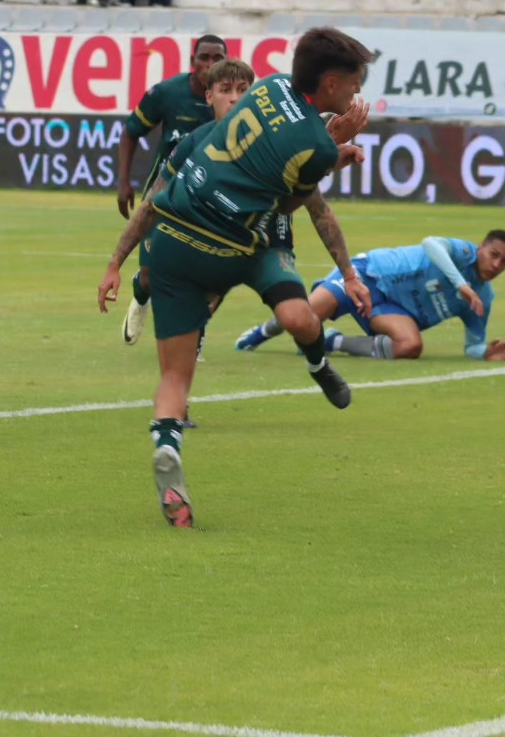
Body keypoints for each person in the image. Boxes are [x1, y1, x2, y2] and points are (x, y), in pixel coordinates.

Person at [98, 28, 377, 528]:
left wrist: (115, 261)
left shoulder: (267, 88)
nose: (359, 93)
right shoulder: (308, 142)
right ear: (331, 83)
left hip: (178, 242)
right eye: (356, 83)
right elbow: (293, 201)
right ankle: (317, 363)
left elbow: (154, 204)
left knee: (177, 374)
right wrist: (331, 148)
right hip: (245, 244)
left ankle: (168, 449)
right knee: (297, 316)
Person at [101, 59, 368, 422]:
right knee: (192, 311)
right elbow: (153, 205)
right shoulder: (195, 143)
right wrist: (116, 262)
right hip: (216, 238)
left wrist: (349, 274)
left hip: (269, 245)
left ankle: (318, 365)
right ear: (208, 97)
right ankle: (178, 406)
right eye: (225, 90)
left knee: (299, 319)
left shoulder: (276, 137)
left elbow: (317, 208)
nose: (235, 98)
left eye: (243, 90)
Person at [237, 232, 505, 362]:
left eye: (504, 262)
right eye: (493, 255)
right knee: (304, 315)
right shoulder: (464, 252)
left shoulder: (484, 297)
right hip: (369, 275)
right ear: (481, 247)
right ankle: (264, 331)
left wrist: (484, 352)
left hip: (392, 308)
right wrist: (460, 283)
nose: (496, 265)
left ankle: (331, 342)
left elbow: (473, 345)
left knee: (410, 347)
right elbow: (430, 244)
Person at [115, 35, 225, 344]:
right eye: (205, 57)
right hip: (165, 192)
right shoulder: (167, 93)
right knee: (151, 277)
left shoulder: (234, 102)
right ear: (193, 61)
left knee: (210, 273)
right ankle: (140, 294)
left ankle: (195, 332)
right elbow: (131, 131)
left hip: (210, 198)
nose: (211, 64)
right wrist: (124, 181)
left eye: (219, 57)